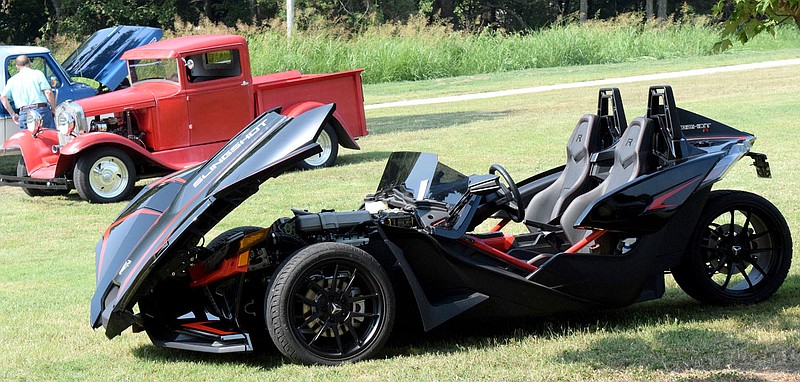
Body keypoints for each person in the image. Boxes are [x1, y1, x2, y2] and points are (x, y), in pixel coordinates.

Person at [1, 55, 57, 130]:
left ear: (17, 66)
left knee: (28, 139)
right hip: (41, 111)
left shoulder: (12, 80)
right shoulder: (38, 74)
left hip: (24, 114)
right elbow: (48, 92)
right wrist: (53, 109)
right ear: (29, 63)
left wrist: (13, 114)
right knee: (50, 138)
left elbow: (3, 98)